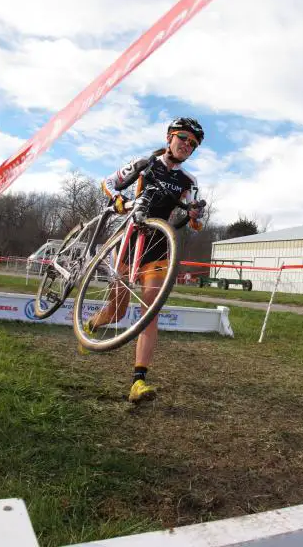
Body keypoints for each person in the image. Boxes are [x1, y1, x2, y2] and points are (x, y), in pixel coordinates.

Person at [80, 117, 205, 404]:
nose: (187, 145)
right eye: (183, 138)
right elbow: (108, 183)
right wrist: (118, 201)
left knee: (151, 312)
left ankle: (138, 382)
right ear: (169, 137)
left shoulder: (188, 181)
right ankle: (91, 326)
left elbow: (195, 222)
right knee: (118, 312)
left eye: (193, 144)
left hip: (158, 247)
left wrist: (196, 216)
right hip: (128, 243)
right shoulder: (146, 162)